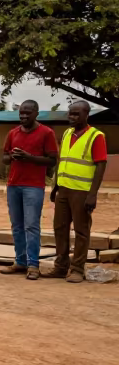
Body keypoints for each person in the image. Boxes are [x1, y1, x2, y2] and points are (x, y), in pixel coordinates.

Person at [44, 101, 108, 283]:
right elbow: (62, 161)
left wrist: (93, 194)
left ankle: (78, 269)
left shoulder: (96, 136)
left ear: (87, 115)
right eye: (70, 114)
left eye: (76, 114)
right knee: (60, 229)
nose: (71, 117)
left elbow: (100, 165)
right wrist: (55, 187)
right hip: (63, 189)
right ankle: (61, 267)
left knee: (81, 231)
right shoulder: (66, 133)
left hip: (82, 191)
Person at [0, 100, 58, 280]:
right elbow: (4, 157)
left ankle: (33, 264)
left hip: (34, 186)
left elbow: (52, 160)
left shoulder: (46, 133)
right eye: (21, 113)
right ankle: (20, 261)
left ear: (36, 113)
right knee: (17, 226)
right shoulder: (13, 133)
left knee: (31, 226)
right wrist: (12, 157)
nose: (24, 116)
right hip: (13, 185)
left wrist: (30, 158)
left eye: (28, 113)